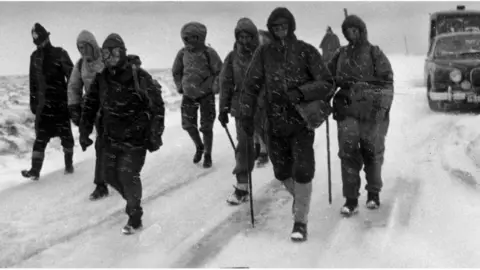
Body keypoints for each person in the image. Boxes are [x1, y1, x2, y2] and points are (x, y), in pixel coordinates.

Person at [238, 7, 335, 242]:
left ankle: (300, 221)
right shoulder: (263, 53)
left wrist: (300, 92)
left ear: (291, 26)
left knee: (303, 170)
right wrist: (246, 116)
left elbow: (326, 83)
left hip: (301, 121)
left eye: (284, 26)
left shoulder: (306, 51)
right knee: (281, 172)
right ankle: (300, 199)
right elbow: (250, 86)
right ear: (271, 29)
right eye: (276, 27)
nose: (280, 30)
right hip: (274, 121)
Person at [79, 33, 165, 235]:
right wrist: (84, 132)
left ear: (123, 52)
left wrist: (155, 133)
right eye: (106, 54)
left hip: (136, 139)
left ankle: (134, 215)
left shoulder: (139, 76)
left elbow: (157, 107)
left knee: (127, 174)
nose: (111, 58)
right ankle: (132, 200)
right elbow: (90, 106)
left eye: (115, 52)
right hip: (111, 138)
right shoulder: (102, 78)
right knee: (108, 175)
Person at [327, 15, 394, 217]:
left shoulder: (375, 53)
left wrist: (371, 93)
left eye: (355, 30)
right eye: (348, 31)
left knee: (372, 152)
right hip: (347, 109)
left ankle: (373, 193)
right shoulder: (340, 54)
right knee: (347, 153)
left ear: (362, 30)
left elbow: (387, 80)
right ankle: (351, 199)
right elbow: (327, 79)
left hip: (371, 111)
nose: (351, 34)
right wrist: (321, 97)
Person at [218, 17, 263, 205]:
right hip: (241, 107)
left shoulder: (264, 55)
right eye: (241, 36)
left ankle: (290, 178)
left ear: (254, 37)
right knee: (244, 147)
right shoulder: (231, 57)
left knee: (276, 144)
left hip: (263, 107)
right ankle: (242, 187)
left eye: (248, 36)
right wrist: (223, 108)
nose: (244, 40)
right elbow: (225, 83)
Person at [22, 23, 75, 180]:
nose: (39, 45)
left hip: (60, 105)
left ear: (47, 38)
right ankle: (35, 171)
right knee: (40, 138)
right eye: (36, 42)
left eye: (41, 40)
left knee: (66, 137)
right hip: (43, 106)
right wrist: (33, 101)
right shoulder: (34, 57)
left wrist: (72, 99)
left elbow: (72, 77)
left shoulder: (60, 53)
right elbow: (33, 82)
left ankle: (69, 166)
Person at [172, 22, 223, 168]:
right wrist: (180, 85)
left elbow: (220, 71)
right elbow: (176, 71)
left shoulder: (209, 53)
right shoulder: (182, 53)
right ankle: (199, 146)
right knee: (188, 124)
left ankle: (207, 154)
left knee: (206, 127)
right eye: (185, 38)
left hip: (206, 94)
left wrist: (214, 85)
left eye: (191, 38)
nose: (187, 41)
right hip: (188, 94)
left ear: (199, 37)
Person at [67, 30, 107, 201]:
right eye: (79, 47)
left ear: (92, 45)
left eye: (85, 46)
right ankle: (101, 185)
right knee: (101, 145)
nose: (83, 50)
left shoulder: (106, 57)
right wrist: (74, 107)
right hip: (94, 110)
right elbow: (73, 86)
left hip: (114, 109)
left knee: (116, 145)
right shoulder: (79, 64)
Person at [252, 29, 272, 167]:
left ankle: (266, 149)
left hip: (270, 95)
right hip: (255, 94)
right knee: (255, 123)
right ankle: (260, 148)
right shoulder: (251, 56)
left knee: (267, 124)